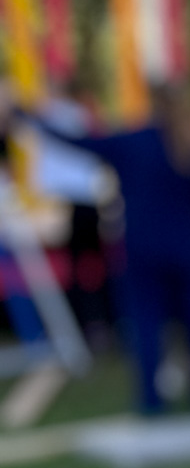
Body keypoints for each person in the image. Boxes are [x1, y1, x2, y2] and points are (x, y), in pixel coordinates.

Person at [19, 84, 190, 412]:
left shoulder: (135, 142)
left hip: (142, 250)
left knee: (147, 325)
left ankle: (151, 400)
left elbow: (81, 143)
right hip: (185, 250)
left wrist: (30, 120)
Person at [30, 83, 115, 343]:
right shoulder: (72, 113)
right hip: (78, 198)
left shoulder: (55, 114)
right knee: (83, 266)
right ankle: (93, 323)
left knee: (81, 266)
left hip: (73, 200)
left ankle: (87, 323)